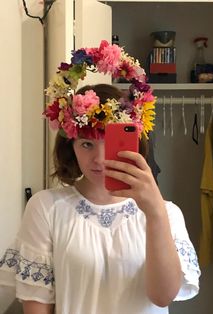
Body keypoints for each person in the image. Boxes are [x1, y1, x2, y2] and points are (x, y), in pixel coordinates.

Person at [0, 40, 200, 314]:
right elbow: (37, 306)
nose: (100, 159)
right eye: (86, 144)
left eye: (111, 143)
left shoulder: (166, 214)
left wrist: (154, 212)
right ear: (70, 146)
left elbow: (162, 297)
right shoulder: (46, 208)